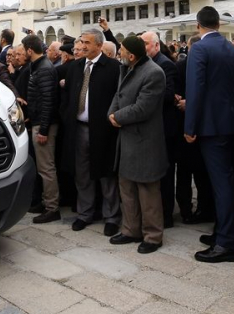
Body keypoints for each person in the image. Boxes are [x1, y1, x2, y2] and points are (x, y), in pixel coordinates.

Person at [185, 6, 234, 263]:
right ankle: (222, 232)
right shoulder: (232, 48)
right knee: (225, 181)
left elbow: (195, 89)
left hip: (211, 125)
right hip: (230, 122)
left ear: (199, 25)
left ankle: (227, 244)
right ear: (219, 24)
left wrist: (190, 126)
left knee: (222, 185)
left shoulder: (199, 48)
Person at [107, 35, 168, 253]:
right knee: (127, 189)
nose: (119, 52)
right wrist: (111, 114)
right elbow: (118, 94)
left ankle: (153, 236)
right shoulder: (127, 68)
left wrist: (118, 117)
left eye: (121, 49)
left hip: (144, 142)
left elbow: (143, 108)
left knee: (147, 191)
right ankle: (130, 230)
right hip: (127, 140)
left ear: (131, 55)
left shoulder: (153, 73)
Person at [62, 28, 122, 235]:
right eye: (81, 42)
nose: (82, 46)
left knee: (106, 174)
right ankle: (85, 213)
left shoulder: (113, 68)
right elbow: (68, 95)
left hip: (104, 131)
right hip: (78, 129)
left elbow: (119, 98)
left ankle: (112, 217)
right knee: (82, 174)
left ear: (98, 45)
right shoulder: (75, 67)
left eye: (87, 42)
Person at [141, 31, 179, 228]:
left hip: (165, 128)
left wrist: (144, 95)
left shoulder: (165, 65)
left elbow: (168, 95)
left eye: (146, 44)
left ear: (156, 45)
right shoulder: (145, 64)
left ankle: (166, 216)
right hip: (152, 128)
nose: (143, 47)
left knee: (165, 174)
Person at [22, 35, 61, 224]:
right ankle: (46, 203)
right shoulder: (40, 67)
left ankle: (52, 208)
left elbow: (48, 101)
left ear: (30, 50)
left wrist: (43, 129)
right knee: (43, 167)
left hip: (44, 125)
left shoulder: (44, 69)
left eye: (24, 50)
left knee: (47, 168)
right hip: (39, 121)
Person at [174, 35, 213, 223]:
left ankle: (189, 209)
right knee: (196, 172)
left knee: (187, 172)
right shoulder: (182, 67)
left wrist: (185, 102)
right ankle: (195, 209)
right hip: (193, 126)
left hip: (190, 125)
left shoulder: (184, 65)